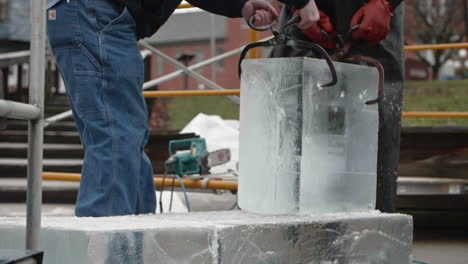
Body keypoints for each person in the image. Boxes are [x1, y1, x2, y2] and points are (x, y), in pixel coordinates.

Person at [45, 0, 319, 217]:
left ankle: (130, 247)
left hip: (98, 15)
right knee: (116, 139)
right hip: (97, 13)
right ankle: (104, 251)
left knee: (126, 142)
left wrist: (240, 5)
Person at [271, 0, 404, 213]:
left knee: (372, 134)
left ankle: (370, 237)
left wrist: (386, 3)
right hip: (303, 20)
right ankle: (293, 237)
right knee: (292, 131)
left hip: (372, 18)